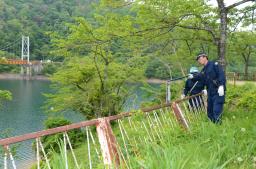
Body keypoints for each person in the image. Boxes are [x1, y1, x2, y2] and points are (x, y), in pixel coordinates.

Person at [188, 52, 226, 123]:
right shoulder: (204, 70)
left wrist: (221, 85)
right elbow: (201, 77)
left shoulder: (214, 64)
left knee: (216, 110)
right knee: (209, 111)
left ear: (205, 57)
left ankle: (218, 127)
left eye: (199, 59)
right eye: (198, 60)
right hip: (210, 92)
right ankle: (212, 126)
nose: (199, 61)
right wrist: (193, 77)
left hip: (218, 91)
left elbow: (221, 74)